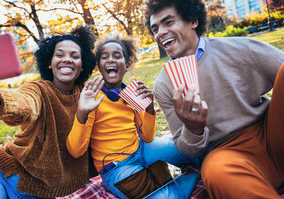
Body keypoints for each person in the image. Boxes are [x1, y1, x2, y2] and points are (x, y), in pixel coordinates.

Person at [144, 0, 284, 198]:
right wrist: (194, 129)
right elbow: (185, 148)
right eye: (155, 29)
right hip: (227, 155)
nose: (160, 33)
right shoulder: (164, 84)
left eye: (168, 22)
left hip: (277, 137)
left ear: (193, 20)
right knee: (215, 172)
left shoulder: (241, 48)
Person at [0, 26, 98, 198]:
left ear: (82, 65)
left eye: (75, 56)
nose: (67, 60)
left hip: (43, 192)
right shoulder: (38, 90)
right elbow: (23, 104)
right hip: (2, 174)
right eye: (59, 54)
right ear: (49, 62)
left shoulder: (90, 95)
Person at [66, 34, 199, 199]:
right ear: (99, 65)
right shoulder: (91, 96)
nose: (110, 60)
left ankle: (168, 175)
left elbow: (148, 137)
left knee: (190, 147)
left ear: (127, 64)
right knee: (165, 197)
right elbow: (76, 150)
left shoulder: (131, 93)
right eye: (104, 57)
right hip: (117, 169)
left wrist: (149, 108)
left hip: (142, 150)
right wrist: (82, 113)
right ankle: (180, 181)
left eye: (117, 56)